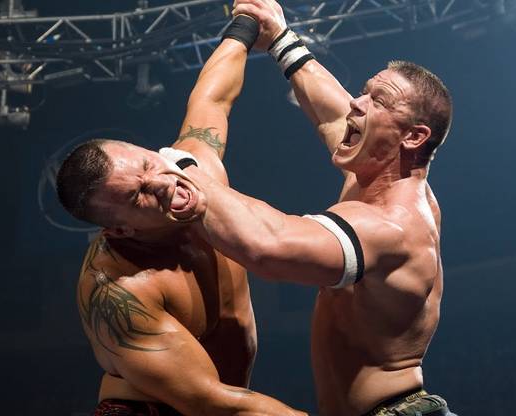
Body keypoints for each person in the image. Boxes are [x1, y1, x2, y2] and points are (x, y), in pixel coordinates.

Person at [162, 0, 458, 414]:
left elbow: (268, 247)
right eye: (365, 91)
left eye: (379, 101)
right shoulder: (377, 171)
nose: (357, 103)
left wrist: (180, 169)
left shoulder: (391, 224)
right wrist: (280, 37)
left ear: (413, 137)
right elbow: (333, 113)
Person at [55, 16, 305, 416]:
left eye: (147, 163)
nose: (161, 182)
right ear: (120, 229)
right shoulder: (120, 291)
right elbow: (208, 401)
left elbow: (212, 98)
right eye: (137, 195)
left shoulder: (194, 168)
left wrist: (245, 24)